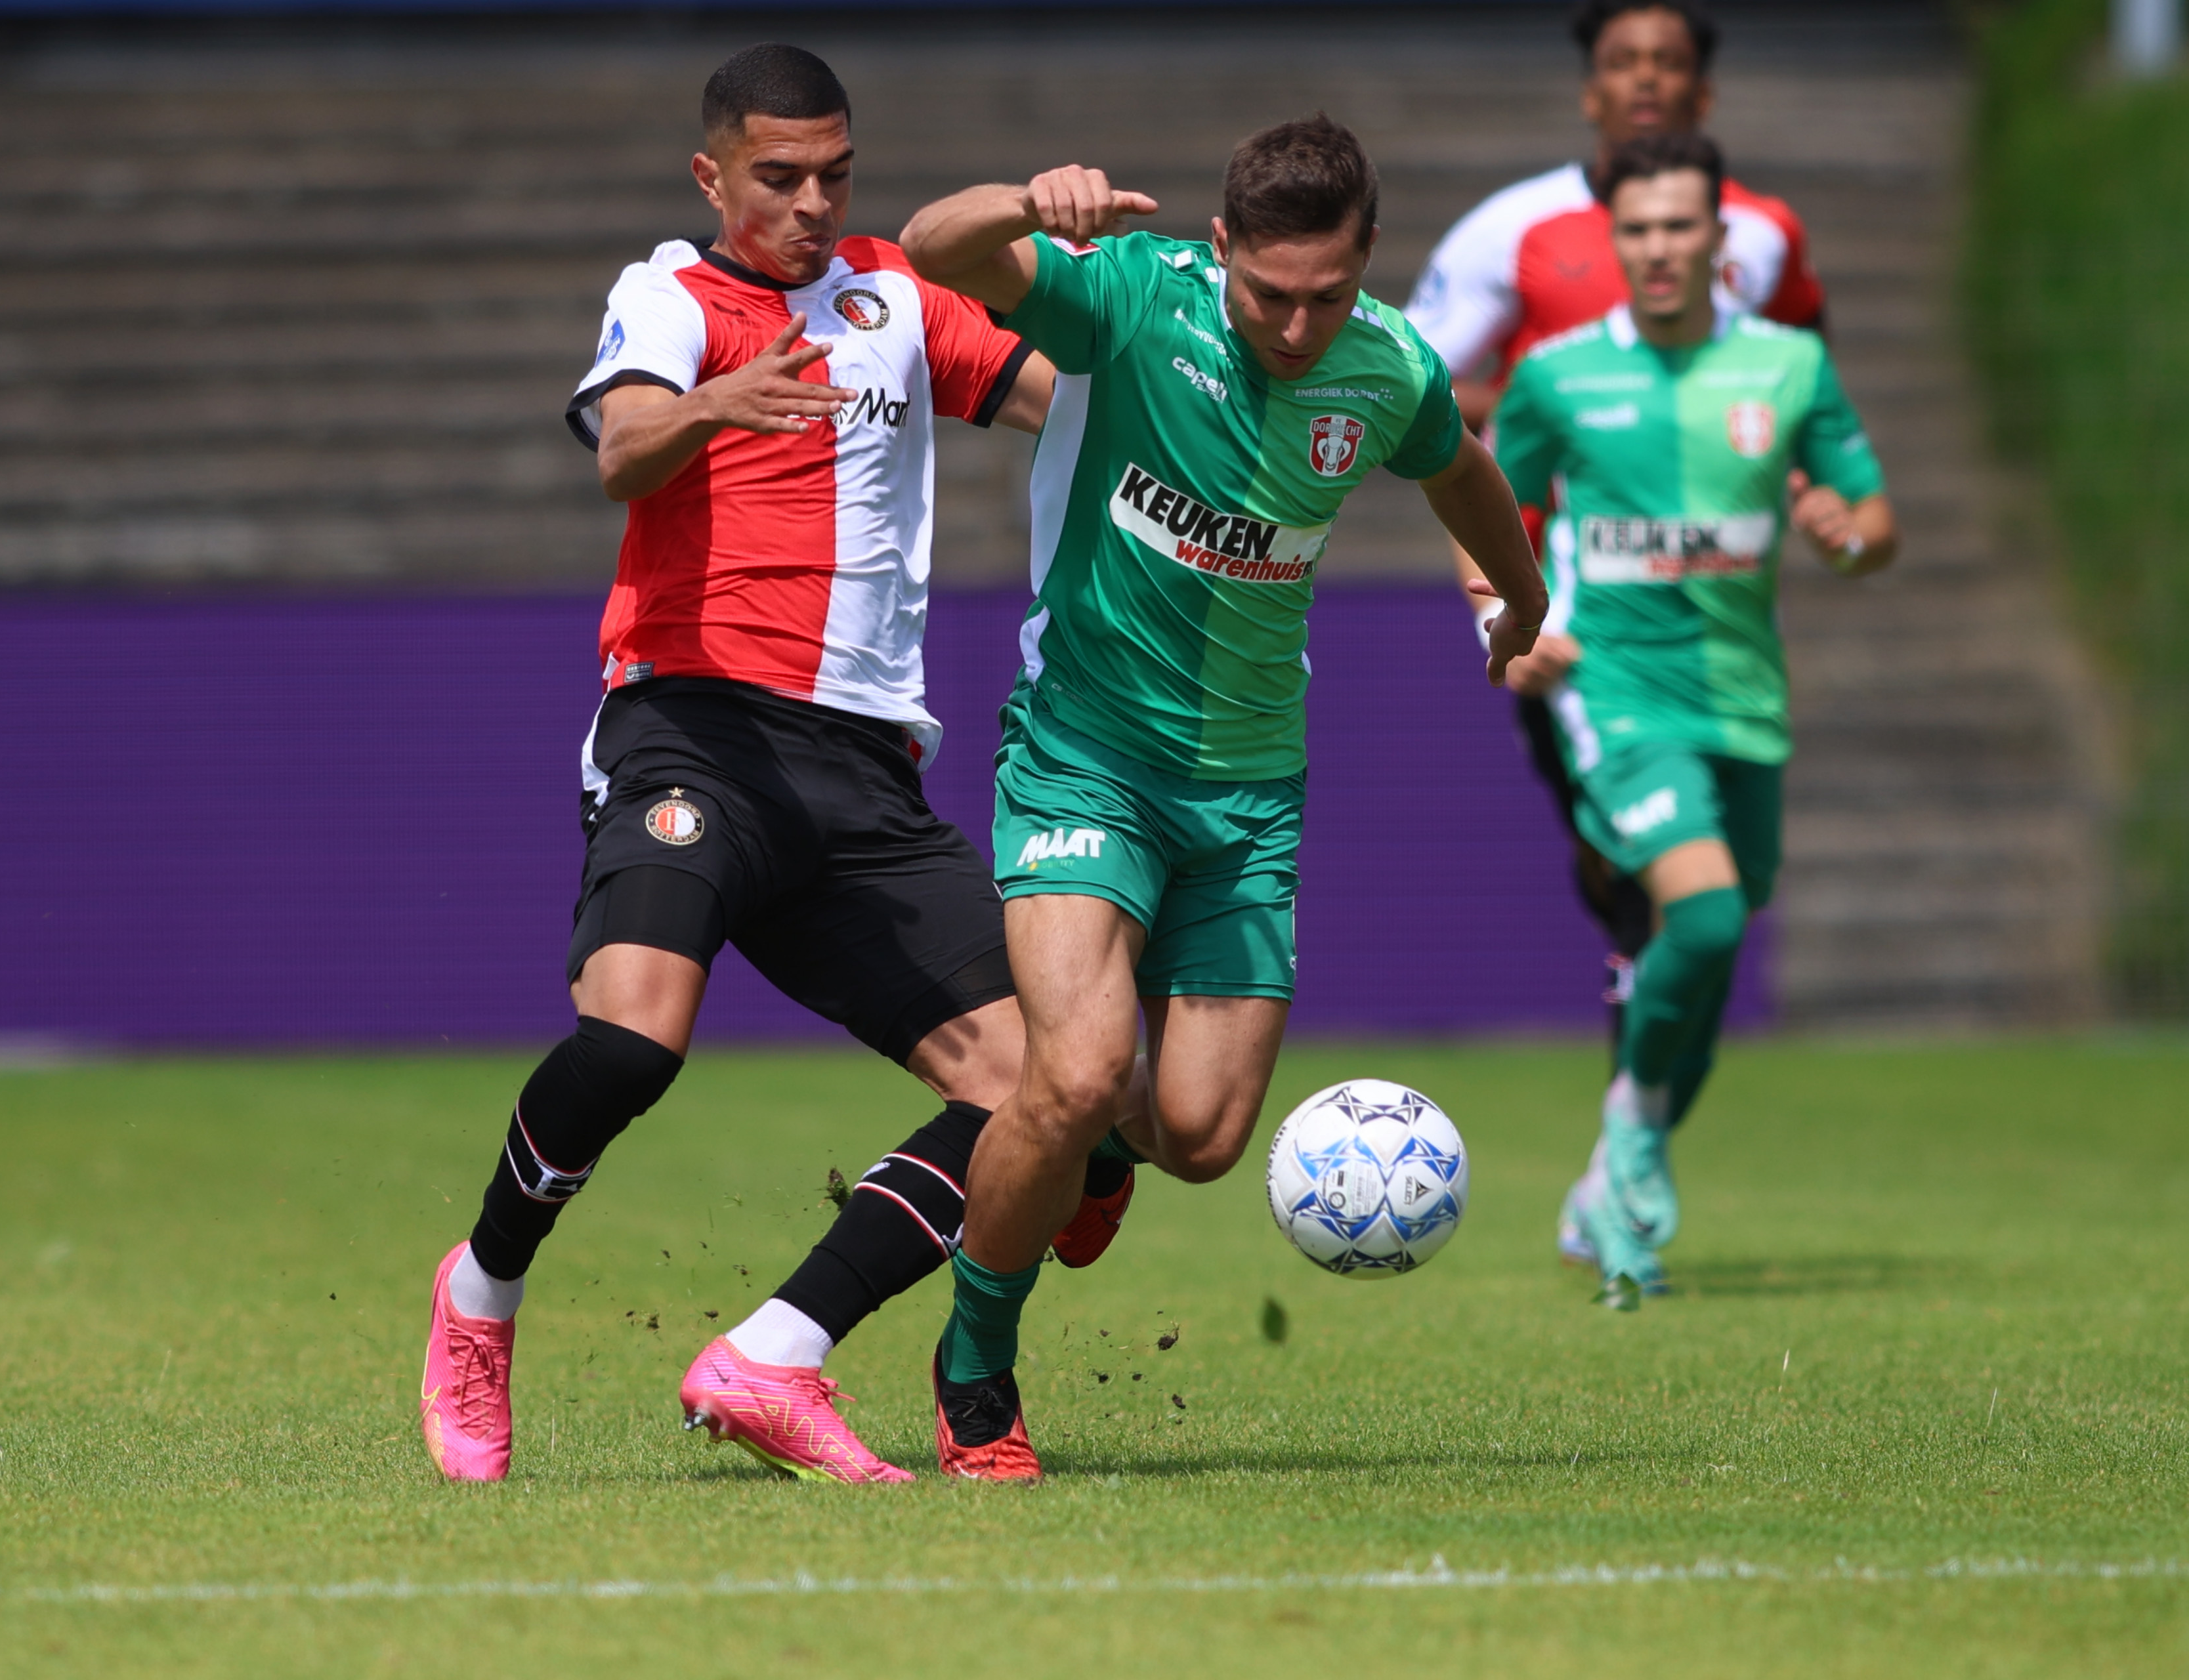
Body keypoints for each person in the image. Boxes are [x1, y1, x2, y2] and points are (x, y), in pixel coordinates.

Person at [418, 43, 1076, 1488]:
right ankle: (481, 1293)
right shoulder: (673, 295)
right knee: (630, 1044)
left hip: (865, 775)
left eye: (834, 174)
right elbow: (622, 448)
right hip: (696, 732)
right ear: (711, 177)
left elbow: (1065, 401)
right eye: (779, 177)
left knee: (1049, 1087)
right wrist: (721, 402)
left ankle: (776, 1353)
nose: (812, 203)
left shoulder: (899, 295)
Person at [900, 114, 1548, 1477]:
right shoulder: (1133, 299)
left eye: (1327, 296)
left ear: (1367, 260)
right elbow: (931, 250)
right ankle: (976, 1372)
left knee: (1196, 1135)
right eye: (1270, 295)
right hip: (1085, 756)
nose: (1298, 328)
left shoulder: (1387, 366)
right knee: (1075, 1072)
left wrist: (1522, 597)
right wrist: (1027, 202)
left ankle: (1100, 1150)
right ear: (1220, 248)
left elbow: (1463, 468)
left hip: (1250, 793)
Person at [1407, 0, 1830, 1198]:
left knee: (1694, 896)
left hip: (1720, 619)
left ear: (1704, 91)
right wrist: (1552, 411)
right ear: (1590, 90)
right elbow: (1411, 385)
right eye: (1622, 63)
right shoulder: (1514, 232)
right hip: (1569, 610)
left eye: (1669, 62)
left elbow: (1796, 375)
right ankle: (1629, 1153)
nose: (1646, 80)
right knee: (1646, 884)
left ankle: (1626, 1133)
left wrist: (1806, 483)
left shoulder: (1765, 233)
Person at [1493, 131, 1895, 1306]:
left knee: (1716, 952)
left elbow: (1874, 518)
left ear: (1721, 235)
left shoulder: (1788, 366)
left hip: (1745, 702)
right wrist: (1500, 623)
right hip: (1614, 691)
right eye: (1638, 229)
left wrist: (1848, 538)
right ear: (1613, 241)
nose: (1660, 247)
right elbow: (1491, 513)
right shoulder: (1557, 377)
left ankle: (1620, 1152)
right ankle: (1630, 1157)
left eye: (1680, 225)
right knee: (1706, 917)